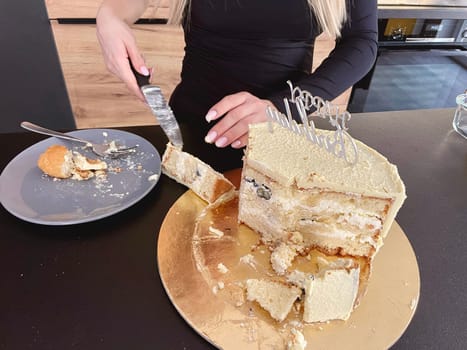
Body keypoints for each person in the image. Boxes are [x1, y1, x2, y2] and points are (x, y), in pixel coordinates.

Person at [96, 0, 377, 166]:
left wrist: (283, 107)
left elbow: (361, 41)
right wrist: (109, 17)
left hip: (279, 133)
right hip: (192, 130)